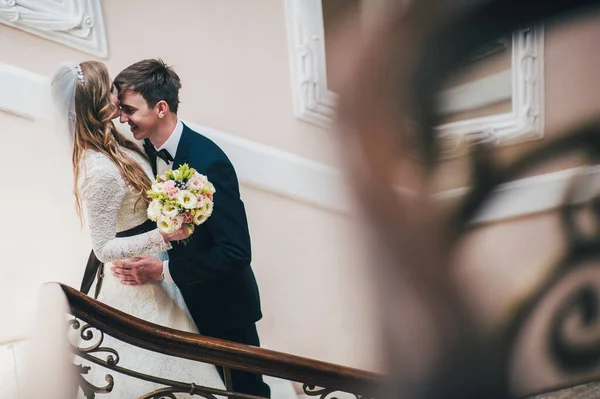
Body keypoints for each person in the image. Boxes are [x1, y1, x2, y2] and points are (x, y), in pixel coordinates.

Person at [50, 60, 225, 397]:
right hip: (135, 280)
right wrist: (164, 235)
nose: (118, 97)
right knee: (157, 370)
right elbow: (102, 248)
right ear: (99, 102)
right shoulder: (97, 169)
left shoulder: (115, 141)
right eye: (111, 90)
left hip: (156, 263)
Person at [111, 59, 270, 398]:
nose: (123, 119)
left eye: (128, 110)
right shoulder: (146, 151)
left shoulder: (208, 161)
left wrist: (163, 271)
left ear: (161, 108)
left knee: (246, 392)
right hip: (183, 303)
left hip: (224, 306)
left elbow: (236, 253)